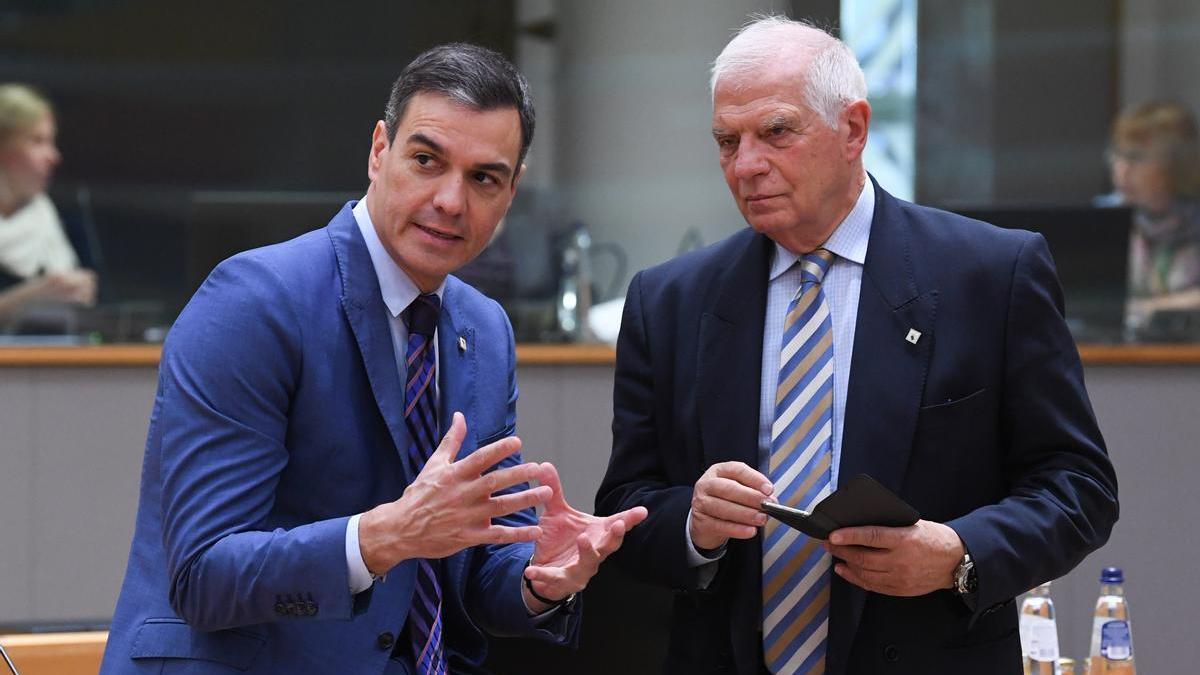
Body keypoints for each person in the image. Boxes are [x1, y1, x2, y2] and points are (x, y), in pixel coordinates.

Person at [595, 16, 1117, 675]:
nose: (747, 164)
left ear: (854, 130)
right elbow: (625, 506)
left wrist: (959, 551)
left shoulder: (989, 275)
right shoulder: (669, 300)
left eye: (776, 132)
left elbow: (1079, 485)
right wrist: (693, 523)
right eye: (728, 141)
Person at [102, 44, 646, 675]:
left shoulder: (484, 329)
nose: (450, 200)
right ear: (379, 151)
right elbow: (203, 576)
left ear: (511, 190)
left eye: (483, 178)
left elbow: (469, 573)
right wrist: (386, 536)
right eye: (426, 160)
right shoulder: (256, 301)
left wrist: (541, 574)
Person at [0, 83, 96, 324]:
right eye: (37, 141)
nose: (54, 156)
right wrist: (23, 301)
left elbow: (104, 313)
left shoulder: (57, 220)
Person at [1103, 100, 1200, 335]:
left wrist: (1149, 308)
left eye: (1135, 157)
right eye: (1118, 155)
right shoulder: (1102, 221)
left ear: (1176, 165)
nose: (1121, 169)